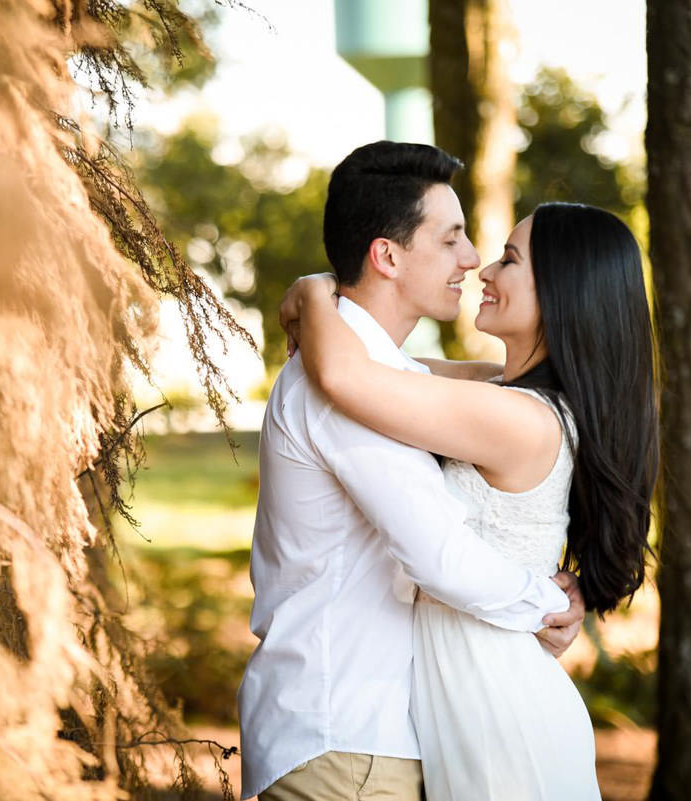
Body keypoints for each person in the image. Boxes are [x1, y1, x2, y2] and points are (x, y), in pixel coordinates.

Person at [237, 141, 588, 801]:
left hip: (366, 739)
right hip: (345, 738)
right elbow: (440, 554)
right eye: (451, 237)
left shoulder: (383, 378)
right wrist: (549, 602)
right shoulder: (341, 386)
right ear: (388, 255)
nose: (470, 259)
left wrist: (315, 291)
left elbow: (492, 383)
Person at [278, 195, 658, 799]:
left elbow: (351, 377)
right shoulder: (511, 398)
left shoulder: (516, 420)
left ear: (561, 292)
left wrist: (311, 292)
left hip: (501, 721)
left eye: (509, 259)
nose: (484, 269)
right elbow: (394, 365)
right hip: (469, 712)